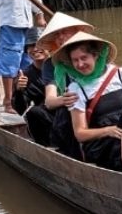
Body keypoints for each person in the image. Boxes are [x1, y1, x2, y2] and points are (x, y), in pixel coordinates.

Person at [52, 31, 122, 167]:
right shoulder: (75, 88)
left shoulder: (121, 74)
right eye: (75, 60)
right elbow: (80, 133)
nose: (80, 64)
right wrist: (108, 131)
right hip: (102, 143)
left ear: (96, 55)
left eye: (84, 58)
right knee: (118, 146)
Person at [23, 12, 95, 147]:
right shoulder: (51, 64)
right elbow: (49, 101)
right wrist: (67, 99)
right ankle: (53, 151)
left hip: (94, 106)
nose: (61, 37)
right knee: (36, 113)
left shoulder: (92, 55)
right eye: (57, 34)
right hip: (70, 110)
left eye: (65, 32)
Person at [11, 27, 47, 116]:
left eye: (39, 44)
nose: (35, 49)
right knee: (33, 113)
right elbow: (20, 110)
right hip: (46, 115)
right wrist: (19, 90)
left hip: (66, 111)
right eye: (30, 46)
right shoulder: (25, 75)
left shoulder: (61, 67)